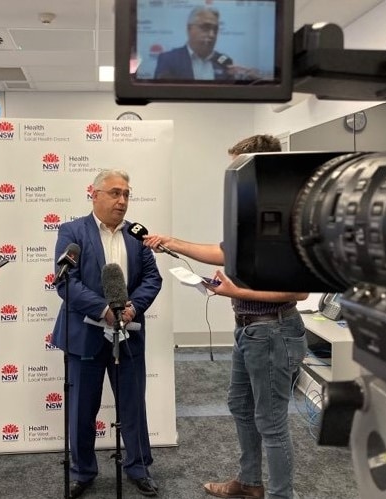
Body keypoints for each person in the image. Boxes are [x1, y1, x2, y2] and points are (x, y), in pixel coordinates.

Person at [142, 134, 308, 499]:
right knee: (240, 405)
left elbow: (299, 292)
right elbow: (222, 252)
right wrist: (170, 241)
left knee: (272, 423)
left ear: (258, 170)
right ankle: (249, 483)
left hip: (273, 332)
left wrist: (237, 292)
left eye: (236, 169)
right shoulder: (253, 216)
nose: (230, 178)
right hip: (250, 331)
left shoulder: (289, 218)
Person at [52, 170, 162, 498]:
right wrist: (104, 309)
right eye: (115, 193)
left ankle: (138, 467)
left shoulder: (137, 234)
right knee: (82, 409)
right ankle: (83, 470)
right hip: (84, 336)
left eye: (127, 194)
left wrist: (131, 309)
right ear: (94, 194)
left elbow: (152, 279)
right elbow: (65, 281)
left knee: (133, 406)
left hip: (128, 334)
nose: (122, 200)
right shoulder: (72, 231)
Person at [154, 6, 260, 81]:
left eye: (215, 29)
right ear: (189, 29)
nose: (212, 34)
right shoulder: (168, 59)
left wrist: (246, 82)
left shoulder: (225, 61)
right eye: (206, 27)